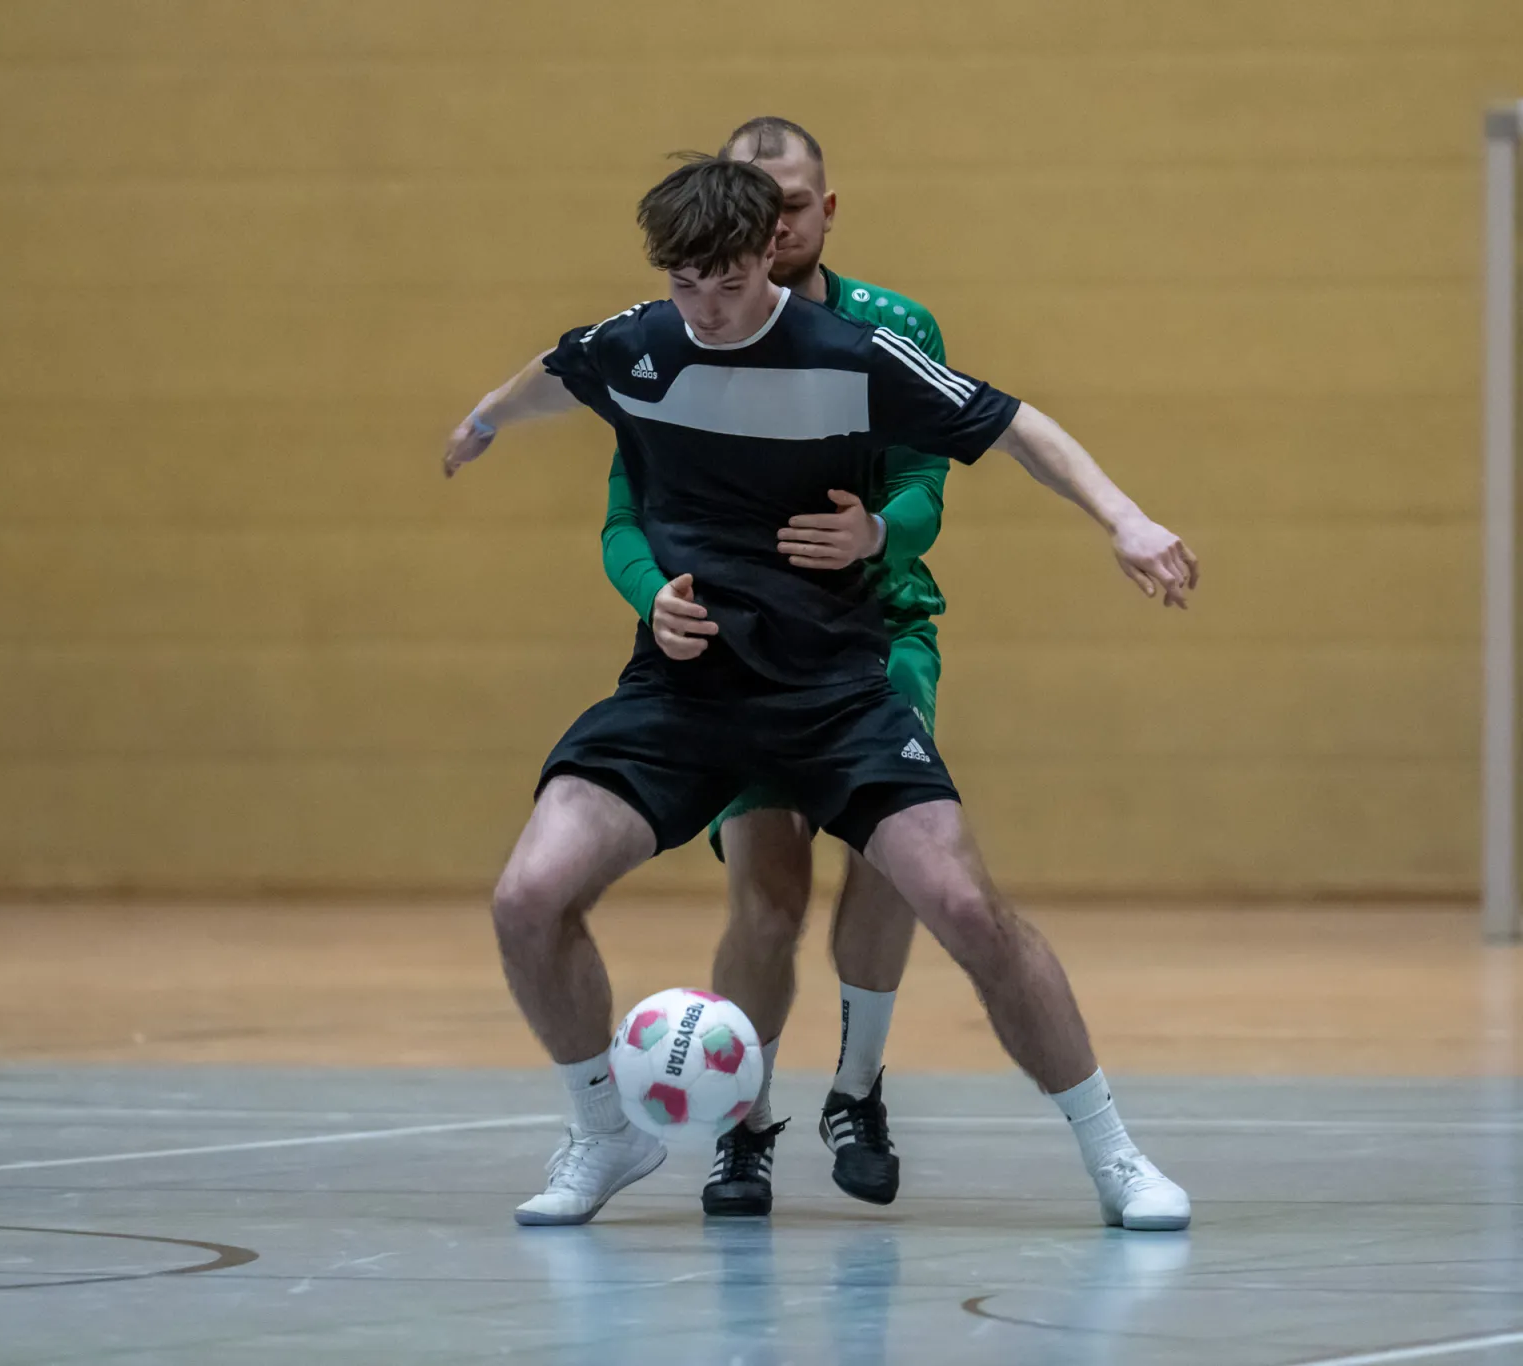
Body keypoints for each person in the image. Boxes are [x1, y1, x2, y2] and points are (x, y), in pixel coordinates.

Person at [442, 154, 1197, 1231]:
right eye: (684, 284)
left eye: (728, 283)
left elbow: (1014, 425)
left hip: (833, 691)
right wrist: (482, 421)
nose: (705, 309)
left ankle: (1115, 1157)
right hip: (683, 692)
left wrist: (1126, 518)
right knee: (526, 896)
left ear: (772, 255)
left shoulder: (851, 356)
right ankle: (604, 1133)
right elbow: (551, 377)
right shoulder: (638, 342)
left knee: (967, 909)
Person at [600, 115, 953, 1216]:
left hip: (873, 634)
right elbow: (623, 514)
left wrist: (875, 533)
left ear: (822, 211)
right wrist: (649, 596)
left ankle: (857, 1088)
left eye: (792, 204)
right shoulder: (668, 341)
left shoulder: (889, 328)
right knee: (768, 890)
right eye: (755, 205)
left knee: (897, 855)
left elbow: (927, 484)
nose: (774, 223)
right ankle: (739, 1122)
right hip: (741, 651)